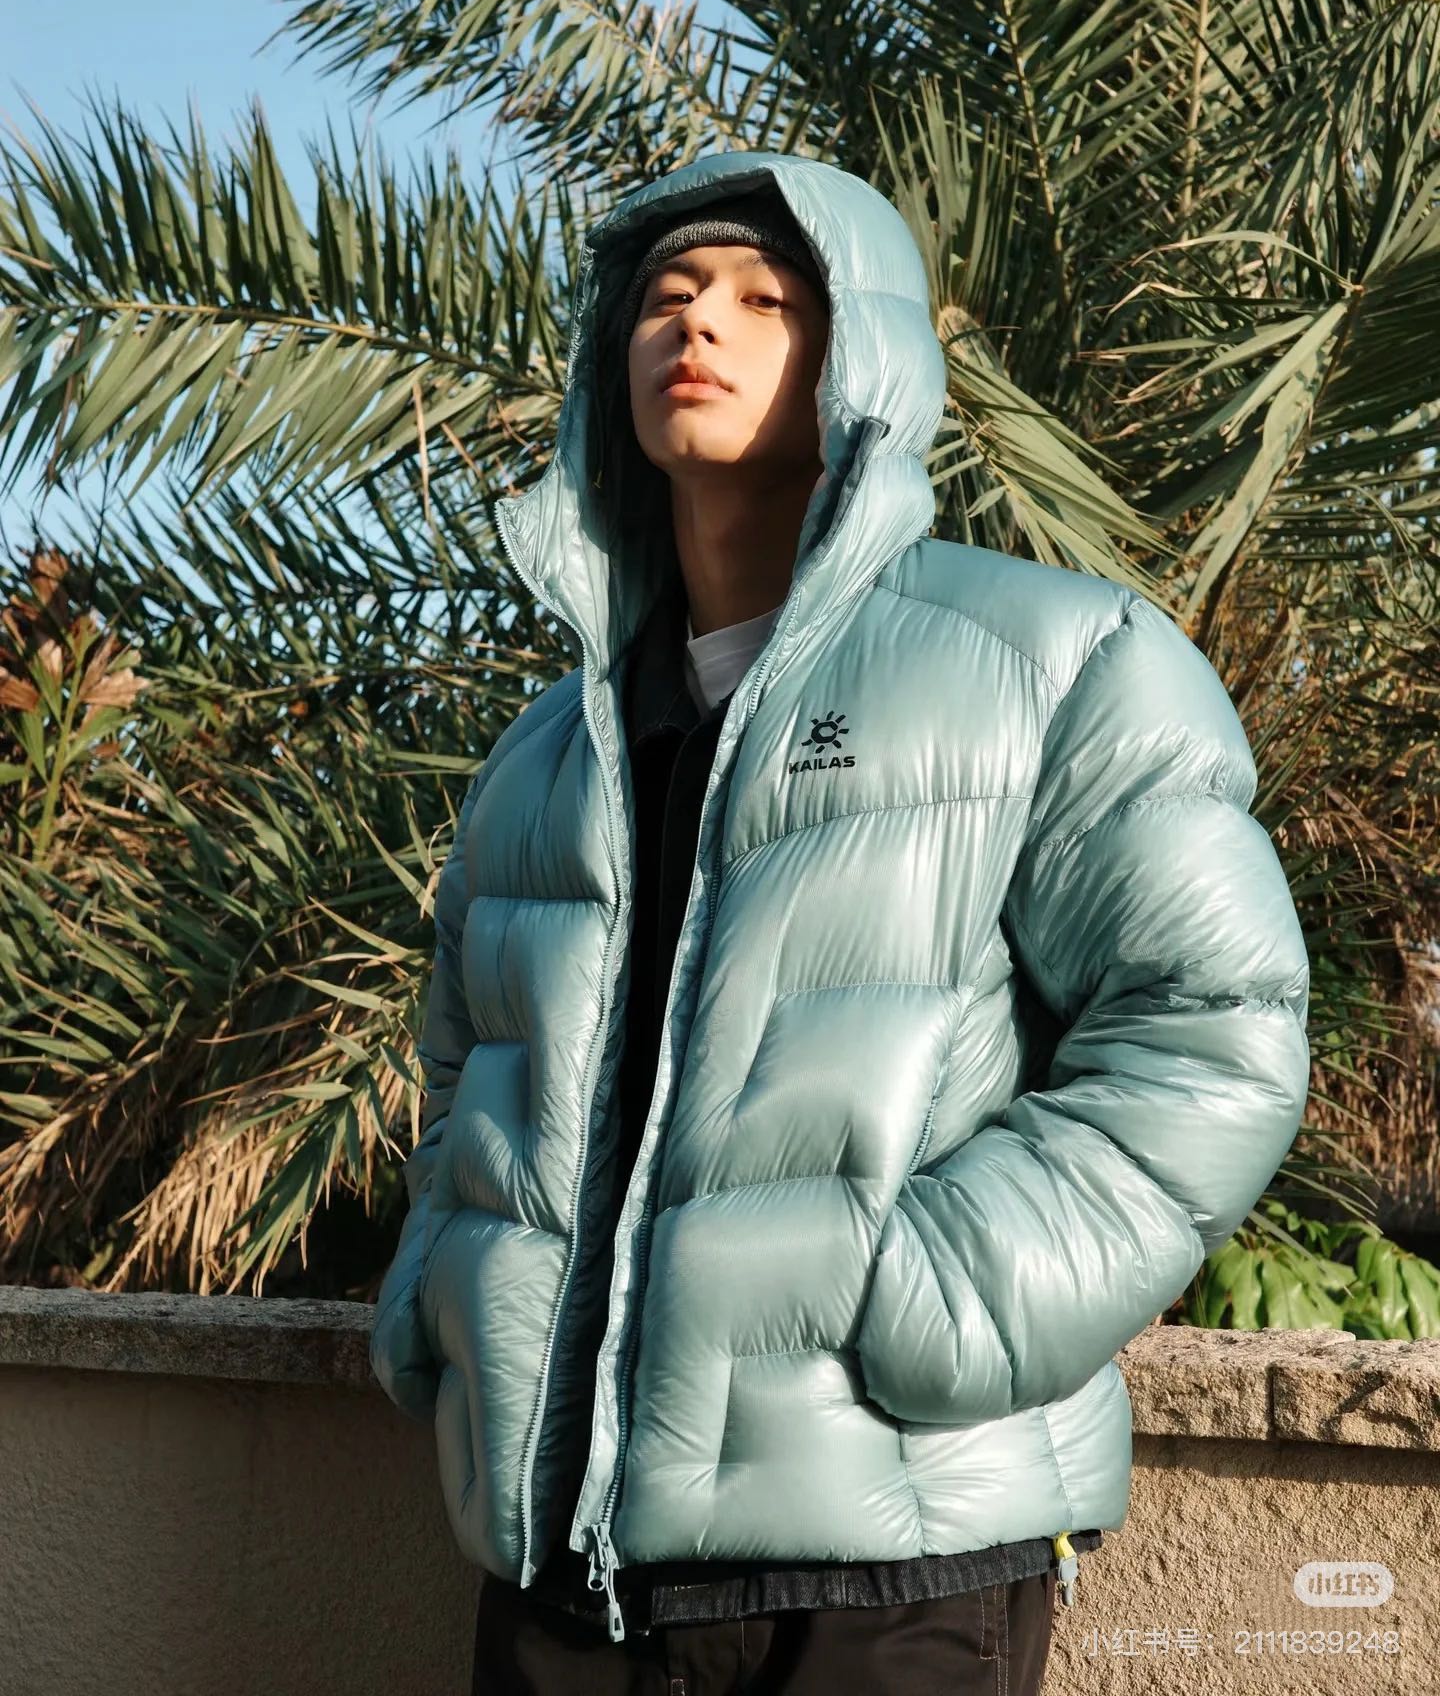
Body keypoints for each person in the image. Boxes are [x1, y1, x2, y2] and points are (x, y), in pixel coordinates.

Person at [368, 150, 1312, 1695]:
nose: (698, 324)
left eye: (765, 299)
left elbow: (1215, 1029)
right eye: (666, 297)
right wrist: (440, 1292)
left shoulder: (1054, 662)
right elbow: (466, 1058)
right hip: (560, 1572)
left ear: (859, 355)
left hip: (895, 1558)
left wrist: (938, 1294)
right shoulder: (547, 754)